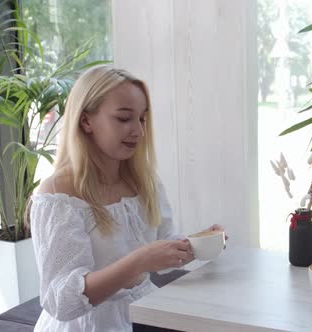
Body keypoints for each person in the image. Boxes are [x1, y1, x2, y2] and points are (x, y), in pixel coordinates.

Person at [29, 65, 225, 331]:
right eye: (124, 119)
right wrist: (138, 262)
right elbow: (61, 301)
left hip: (143, 316)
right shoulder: (57, 196)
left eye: (142, 119)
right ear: (86, 121)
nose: (138, 131)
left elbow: (163, 248)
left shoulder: (144, 181)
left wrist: (199, 243)